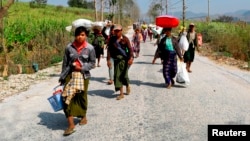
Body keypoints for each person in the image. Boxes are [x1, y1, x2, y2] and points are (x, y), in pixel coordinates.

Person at [59, 26, 96, 136]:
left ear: (86, 36)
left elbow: (92, 63)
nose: (80, 37)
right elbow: (65, 63)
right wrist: (62, 77)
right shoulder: (69, 47)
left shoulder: (90, 48)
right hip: (70, 75)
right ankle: (71, 124)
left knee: (81, 97)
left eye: (82, 35)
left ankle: (83, 116)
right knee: (66, 97)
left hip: (83, 75)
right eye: (78, 35)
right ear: (75, 35)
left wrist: (82, 68)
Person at [107, 24, 134, 100]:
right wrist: (108, 60)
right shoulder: (112, 40)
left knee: (122, 75)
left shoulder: (125, 39)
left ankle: (125, 89)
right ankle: (123, 91)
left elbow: (130, 49)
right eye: (115, 31)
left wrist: (131, 58)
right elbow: (109, 50)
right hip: (116, 60)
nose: (117, 32)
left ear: (121, 31)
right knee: (119, 75)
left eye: (118, 31)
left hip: (124, 60)